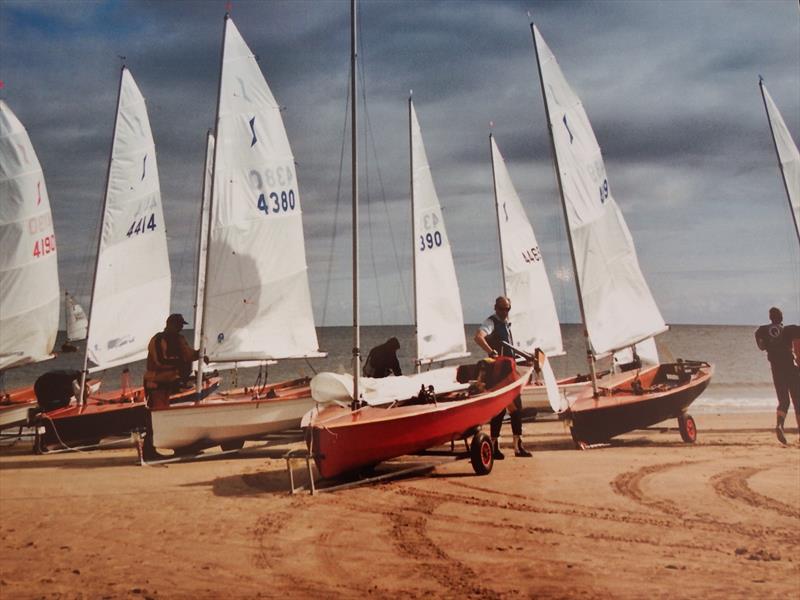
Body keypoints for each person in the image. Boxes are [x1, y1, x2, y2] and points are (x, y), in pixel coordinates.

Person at [474, 296, 532, 459]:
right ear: (495, 307)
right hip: (499, 372)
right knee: (501, 409)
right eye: (501, 308)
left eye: (507, 309)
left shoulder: (506, 324)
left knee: (513, 409)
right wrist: (490, 350)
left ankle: (514, 446)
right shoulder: (490, 322)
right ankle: (499, 446)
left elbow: (510, 348)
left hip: (510, 370)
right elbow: (478, 336)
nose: (504, 312)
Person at [141, 313, 203, 460]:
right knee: (156, 418)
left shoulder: (179, 339)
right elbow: (159, 360)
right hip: (155, 383)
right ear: (170, 324)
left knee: (171, 418)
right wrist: (180, 364)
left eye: (181, 325)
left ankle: (179, 447)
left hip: (171, 382)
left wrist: (200, 354)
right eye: (178, 324)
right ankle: (149, 451)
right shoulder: (158, 339)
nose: (181, 327)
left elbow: (188, 355)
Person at [754, 307, 800, 445]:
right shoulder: (790, 329)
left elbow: (761, 347)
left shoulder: (761, 331)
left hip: (776, 369)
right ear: (781, 318)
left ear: (770, 318)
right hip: (791, 368)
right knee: (797, 400)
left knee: (783, 400)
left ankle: (780, 425)